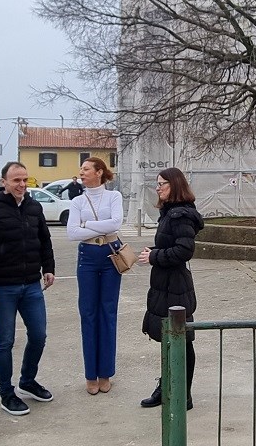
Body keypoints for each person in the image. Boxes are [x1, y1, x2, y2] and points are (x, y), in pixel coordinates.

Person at [0, 161, 56, 416]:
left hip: (31, 285)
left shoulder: (33, 206)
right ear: (4, 182)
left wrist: (48, 267)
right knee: (5, 341)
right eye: (16, 180)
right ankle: (6, 393)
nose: (21, 185)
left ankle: (27, 381)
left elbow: (44, 239)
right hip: (3, 288)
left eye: (24, 180)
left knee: (39, 335)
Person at [137, 167, 203, 411]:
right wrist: (155, 253)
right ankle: (167, 387)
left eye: (162, 183)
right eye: (157, 183)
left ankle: (183, 395)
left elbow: (185, 250)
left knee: (182, 339)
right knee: (169, 337)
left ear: (174, 185)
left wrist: (155, 256)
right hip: (165, 282)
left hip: (175, 284)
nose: (158, 187)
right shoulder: (169, 213)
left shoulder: (180, 215)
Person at [66, 157, 124, 395]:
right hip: (88, 257)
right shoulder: (77, 200)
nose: (81, 173)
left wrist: (87, 223)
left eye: (86, 169)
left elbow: (117, 223)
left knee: (108, 312)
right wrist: (101, 225)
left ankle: (105, 373)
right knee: (88, 313)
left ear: (99, 172)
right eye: (81, 169)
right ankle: (91, 373)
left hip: (111, 255)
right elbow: (72, 232)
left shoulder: (114, 196)